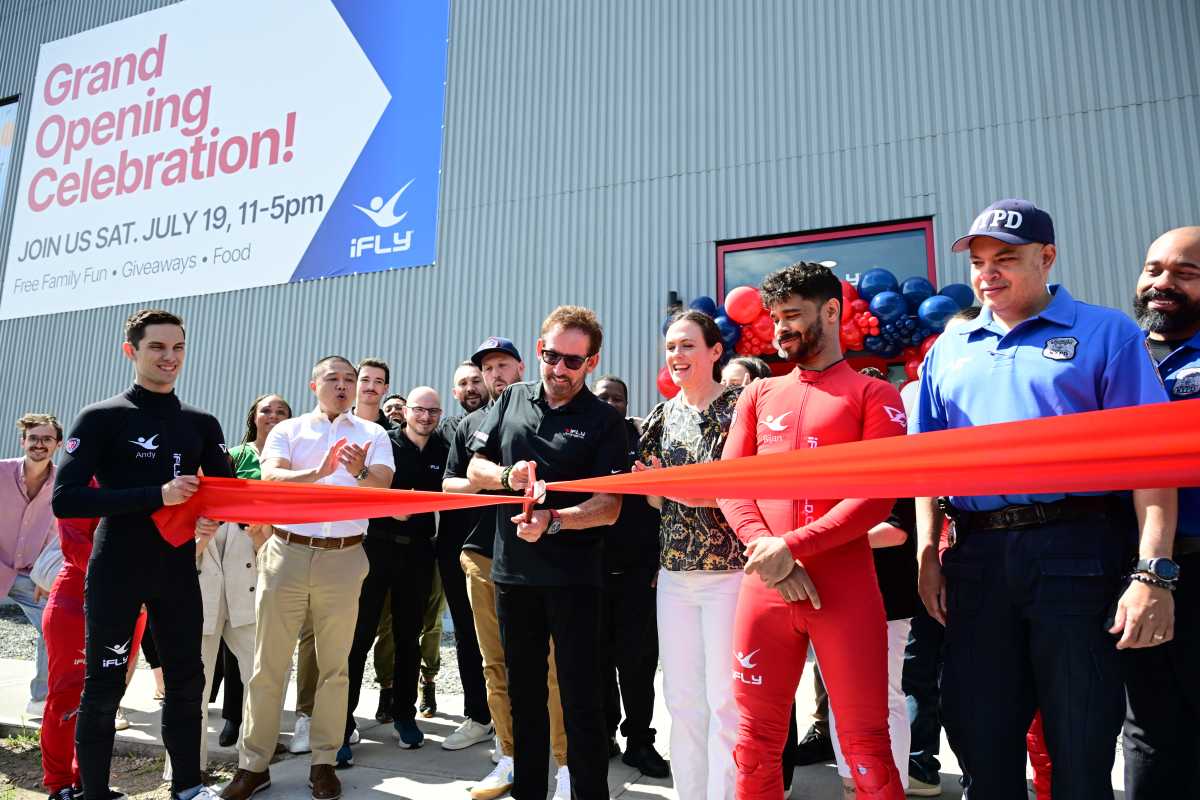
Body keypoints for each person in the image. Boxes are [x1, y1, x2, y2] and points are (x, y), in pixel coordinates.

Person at [914, 199, 1175, 800]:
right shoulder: (948, 350)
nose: (988, 273)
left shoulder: (1105, 332)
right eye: (979, 261)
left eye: (1006, 258)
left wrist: (1153, 572)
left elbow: (1152, 459)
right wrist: (928, 552)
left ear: (1047, 257)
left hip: (1077, 550)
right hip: (976, 559)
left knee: (1081, 740)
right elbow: (923, 462)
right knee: (980, 736)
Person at [718, 263, 908, 800]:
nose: (780, 329)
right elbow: (733, 484)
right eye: (776, 317)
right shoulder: (758, 396)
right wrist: (770, 553)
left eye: (793, 315)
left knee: (866, 745)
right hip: (765, 589)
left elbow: (877, 497)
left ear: (831, 311)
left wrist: (791, 548)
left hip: (842, 588)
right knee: (754, 744)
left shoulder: (874, 395)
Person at [53, 308, 233, 800]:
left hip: (175, 570)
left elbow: (228, 491)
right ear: (131, 351)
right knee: (104, 687)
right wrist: (158, 494)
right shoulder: (102, 417)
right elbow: (65, 498)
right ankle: (93, 792)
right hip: (116, 568)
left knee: (185, 683)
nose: (169, 357)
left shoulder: (200, 422)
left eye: (177, 348)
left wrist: (212, 513)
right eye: (157, 347)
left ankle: (189, 788)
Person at [467, 307, 627, 800]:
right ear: (539, 351)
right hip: (514, 577)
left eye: (571, 362)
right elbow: (475, 467)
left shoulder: (604, 421)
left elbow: (609, 507)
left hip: (576, 580)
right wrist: (507, 477)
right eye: (550, 355)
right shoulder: (511, 398)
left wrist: (555, 521)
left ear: (591, 362)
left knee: (581, 702)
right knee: (525, 700)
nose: (558, 369)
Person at [222, 355, 393, 800]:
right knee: (268, 666)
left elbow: (383, 487)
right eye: (333, 379)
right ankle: (253, 764)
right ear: (313, 384)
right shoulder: (289, 430)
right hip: (287, 553)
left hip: (345, 557)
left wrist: (356, 471)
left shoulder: (373, 434)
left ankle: (324, 761)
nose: (342, 386)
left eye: (349, 380)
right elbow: (271, 477)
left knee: (335, 668)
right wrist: (317, 473)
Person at [445, 336, 573, 800]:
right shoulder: (472, 425)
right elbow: (449, 484)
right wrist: (497, 481)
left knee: (553, 669)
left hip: (541, 557)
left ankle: (563, 765)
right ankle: (510, 757)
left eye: (502, 365)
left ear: (522, 366)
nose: (495, 374)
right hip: (482, 553)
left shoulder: (547, 413)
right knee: (495, 664)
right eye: (487, 368)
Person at [635, 310, 744, 800]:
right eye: (671, 348)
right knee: (681, 701)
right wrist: (664, 488)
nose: (676, 356)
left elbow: (737, 490)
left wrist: (675, 487)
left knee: (726, 700)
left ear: (715, 351)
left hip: (731, 574)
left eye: (687, 346)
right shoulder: (661, 416)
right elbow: (655, 498)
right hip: (675, 576)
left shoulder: (743, 407)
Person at [1123, 226, 1200, 798]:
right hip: (1138, 574)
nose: (1162, 284)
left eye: (1184, 273)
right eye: (1153, 270)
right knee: (1149, 729)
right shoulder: (1121, 355)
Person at [339, 386, 448, 760]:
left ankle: (404, 715)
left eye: (434, 411)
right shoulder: (384, 442)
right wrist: (389, 508)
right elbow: (360, 483)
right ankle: (342, 723)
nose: (426, 417)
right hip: (376, 547)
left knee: (408, 637)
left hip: (419, 553)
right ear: (407, 411)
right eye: (420, 410)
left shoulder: (443, 449)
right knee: (359, 635)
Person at [199, 395, 291, 758]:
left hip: (267, 552)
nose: (272, 416)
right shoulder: (234, 455)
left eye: (281, 411)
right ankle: (229, 726)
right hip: (226, 549)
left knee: (263, 660)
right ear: (253, 416)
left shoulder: (290, 459)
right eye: (266, 410)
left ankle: (257, 746)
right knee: (211, 659)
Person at [41, 508, 148, 800]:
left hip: (129, 603)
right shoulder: (83, 475)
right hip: (77, 600)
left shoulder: (147, 475)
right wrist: (119, 583)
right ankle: (60, 784)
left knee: (107, 696)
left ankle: (87, 783)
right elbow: (73, 540)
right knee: (67, 696)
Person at [593, 375, 668, 778]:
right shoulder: (585, 439)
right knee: (597, 663)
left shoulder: (644, 441)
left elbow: (663, 509)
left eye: (616, 398)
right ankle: (604, 735)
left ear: (626, 403)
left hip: (639, 576)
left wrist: (659, 561)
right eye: (602, 396)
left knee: (638, 667)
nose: (609, 403)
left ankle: (640, 741)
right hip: (591, 575)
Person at [431, 359, 493, 750]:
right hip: (456, 548)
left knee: (511, 637)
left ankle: (517, 720)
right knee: (469, 637)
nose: (471, 387)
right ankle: (479, 716)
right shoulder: (448, 431)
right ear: (455, 393)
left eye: (476, 380)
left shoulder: (507, 419)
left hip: (502, 545)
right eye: (463, 384)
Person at [2, 412, 62, 716]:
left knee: (54, 628)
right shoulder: (1, 473)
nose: (39, 444)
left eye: (46, 439)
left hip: (31, 575)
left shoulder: (64, 483)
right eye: (33, 438)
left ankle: (40, 699)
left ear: (58, 444)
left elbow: (62, 534)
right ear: (23, 440)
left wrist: (45, 575)